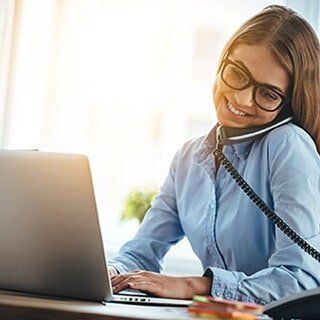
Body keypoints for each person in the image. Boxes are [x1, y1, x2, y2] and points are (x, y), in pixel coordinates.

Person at [108, 5, 320, 304]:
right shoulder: (189, 158)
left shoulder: (287, 145)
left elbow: (301, 281)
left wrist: (194, 286)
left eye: (268, 93)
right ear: (222, 63)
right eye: (237, 73)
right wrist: (110, 272)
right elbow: (140, 254)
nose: (243, 99)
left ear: (287, 105)